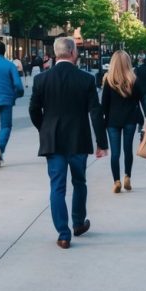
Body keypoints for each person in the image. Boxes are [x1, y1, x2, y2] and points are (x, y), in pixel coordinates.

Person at [29, 37, 108, 248]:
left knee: (57, 187)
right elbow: (95, 112)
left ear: (56, 54)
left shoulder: (41, 79)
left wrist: (43, 128)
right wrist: (102, 142)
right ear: (73, 52)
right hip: (78, 138)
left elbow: (33, 110)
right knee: (79, 182)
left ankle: (63, 234)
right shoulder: (86, 79)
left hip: (52, 139)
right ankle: (78, 222)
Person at [100, 50, 143, 194]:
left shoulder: (109, 81)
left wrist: (103, 120)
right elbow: (139, 99)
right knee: (128, 149)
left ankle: (116, 181)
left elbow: (104, 104)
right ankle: (127, 177)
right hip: (130, 118)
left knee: (115, 153)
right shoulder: (134, 80)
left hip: (113, 120)